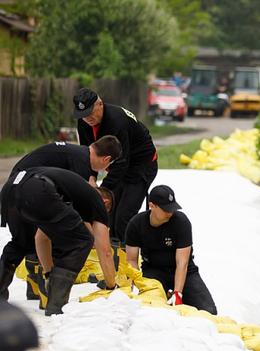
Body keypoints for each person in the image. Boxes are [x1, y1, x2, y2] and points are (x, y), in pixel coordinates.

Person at [0, 167, 117, 315]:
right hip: (37, 189)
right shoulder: (97, 202)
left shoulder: (68, 193)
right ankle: (56, 306)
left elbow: (41, 238)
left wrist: (49, 274)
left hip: (10, 189)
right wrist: (112, 285)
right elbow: (105, 251)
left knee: (21, 243)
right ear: (105, 202)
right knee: (83, 240)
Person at [73, 88, 158, 242]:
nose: (88, 118)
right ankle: (110, 254)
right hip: (119, 163)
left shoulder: (116, 122)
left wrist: (102, 190)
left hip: (141, 165)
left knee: (123, 216)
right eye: (83, 115)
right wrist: (91, 177)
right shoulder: (83, 122)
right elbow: (87, 154)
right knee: (107, 212)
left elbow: (121, 163)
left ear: (100, 104)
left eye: (90, 112)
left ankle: (127, 258)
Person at [125, 185, 217, 314]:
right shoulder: (136, 224)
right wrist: (135, 283)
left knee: (209, 311)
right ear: (152, 206)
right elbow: (131, 260)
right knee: (149, 308)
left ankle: (174, 296)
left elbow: (182, 263)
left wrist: (178, 293)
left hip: (184, 271)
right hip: (153, 271)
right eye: (165, 209)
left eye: (172, 208)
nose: (170, 212)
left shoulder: (181, 222)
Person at [10, 135, 121, 186]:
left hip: (19, 179)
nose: (106, 170)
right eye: (109, 164)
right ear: (106, 159)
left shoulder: (82, 154)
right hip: (19, 184)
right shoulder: (81, 163)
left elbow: (91, 181)